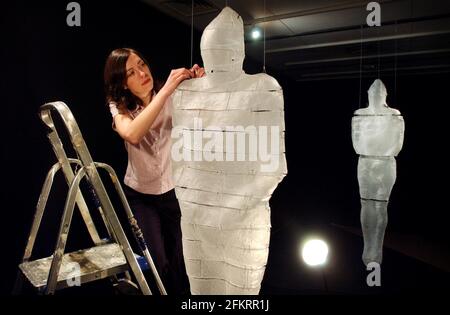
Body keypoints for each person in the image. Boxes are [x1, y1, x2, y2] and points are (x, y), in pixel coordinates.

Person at [103, 48, 205, 294]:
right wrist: (168, 89)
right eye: (131, 72)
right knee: (157, 264)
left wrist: (201, 85)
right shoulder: (118, 106)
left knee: (183, 265)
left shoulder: (174, 93)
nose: (142, 73)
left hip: (174, 192)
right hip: (142, 195)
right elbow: (132, 133)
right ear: (123, 84)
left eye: (142, 64)